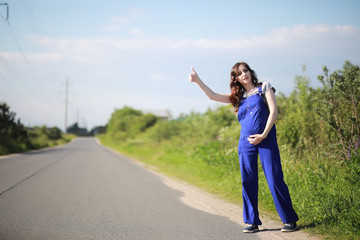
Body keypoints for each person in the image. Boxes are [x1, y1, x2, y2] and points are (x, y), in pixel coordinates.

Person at [188, 62, 299, 233]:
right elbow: (212, 96)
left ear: (250, 72)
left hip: (266, 139)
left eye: (245, 71)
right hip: (245, 142)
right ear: (236, 78)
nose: (243, 75)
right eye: (239, 73)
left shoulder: (264, 88)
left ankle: (289, 220)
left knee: (274, 178)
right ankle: (252, 222)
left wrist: (263, 135)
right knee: (248, 180)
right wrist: (197, 80)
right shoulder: (238, 96)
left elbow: (274, 112)